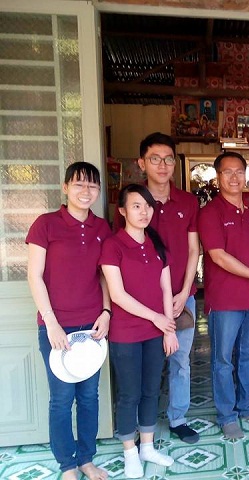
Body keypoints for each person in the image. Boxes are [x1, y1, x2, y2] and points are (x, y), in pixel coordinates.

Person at [114, 132, 200, 444]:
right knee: (142, 369)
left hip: (181, 298)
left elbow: (194, 249)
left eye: (168, 159)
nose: (162, 165)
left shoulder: (188, 201)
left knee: (180, 361)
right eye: (154, 159)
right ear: (142, 163)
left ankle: (178, 418)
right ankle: (138, 426)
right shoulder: (132, 202)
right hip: (140, 304)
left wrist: (184, 291)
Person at [26, 162, 111, 480]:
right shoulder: (46, 224)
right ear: (65, 188)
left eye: (92, 185)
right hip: (56, 327)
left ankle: (87, 459)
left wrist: (106, 312)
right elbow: (34, 276)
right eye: (79, 184)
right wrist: (51, 322)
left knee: (89, 397)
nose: (86, 191)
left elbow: (104, 275)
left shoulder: (102, 228)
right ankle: (67, 465)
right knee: (62, 399)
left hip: (92, 328)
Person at [198, 151, 249, 440]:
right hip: (225, 300)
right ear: (217, 177)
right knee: (222, 360)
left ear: (246, 175)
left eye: (239, 172)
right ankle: (227, 415)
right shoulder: (210, 213)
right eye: (227, 172)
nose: (234, 177)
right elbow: (218, 256)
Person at [100, 184, 178, 478]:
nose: (144, 212)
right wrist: (156, 318)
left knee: (150, 390)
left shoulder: (156, 243)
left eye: (147, 206)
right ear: (122, 211)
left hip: (156, 332)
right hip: (126, 333)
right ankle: (129, 452)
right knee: (129, 393)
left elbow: (166, 288)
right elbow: (117, 295)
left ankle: (147, 446)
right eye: (136, 206)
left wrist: (168, 329)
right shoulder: (113, 245)